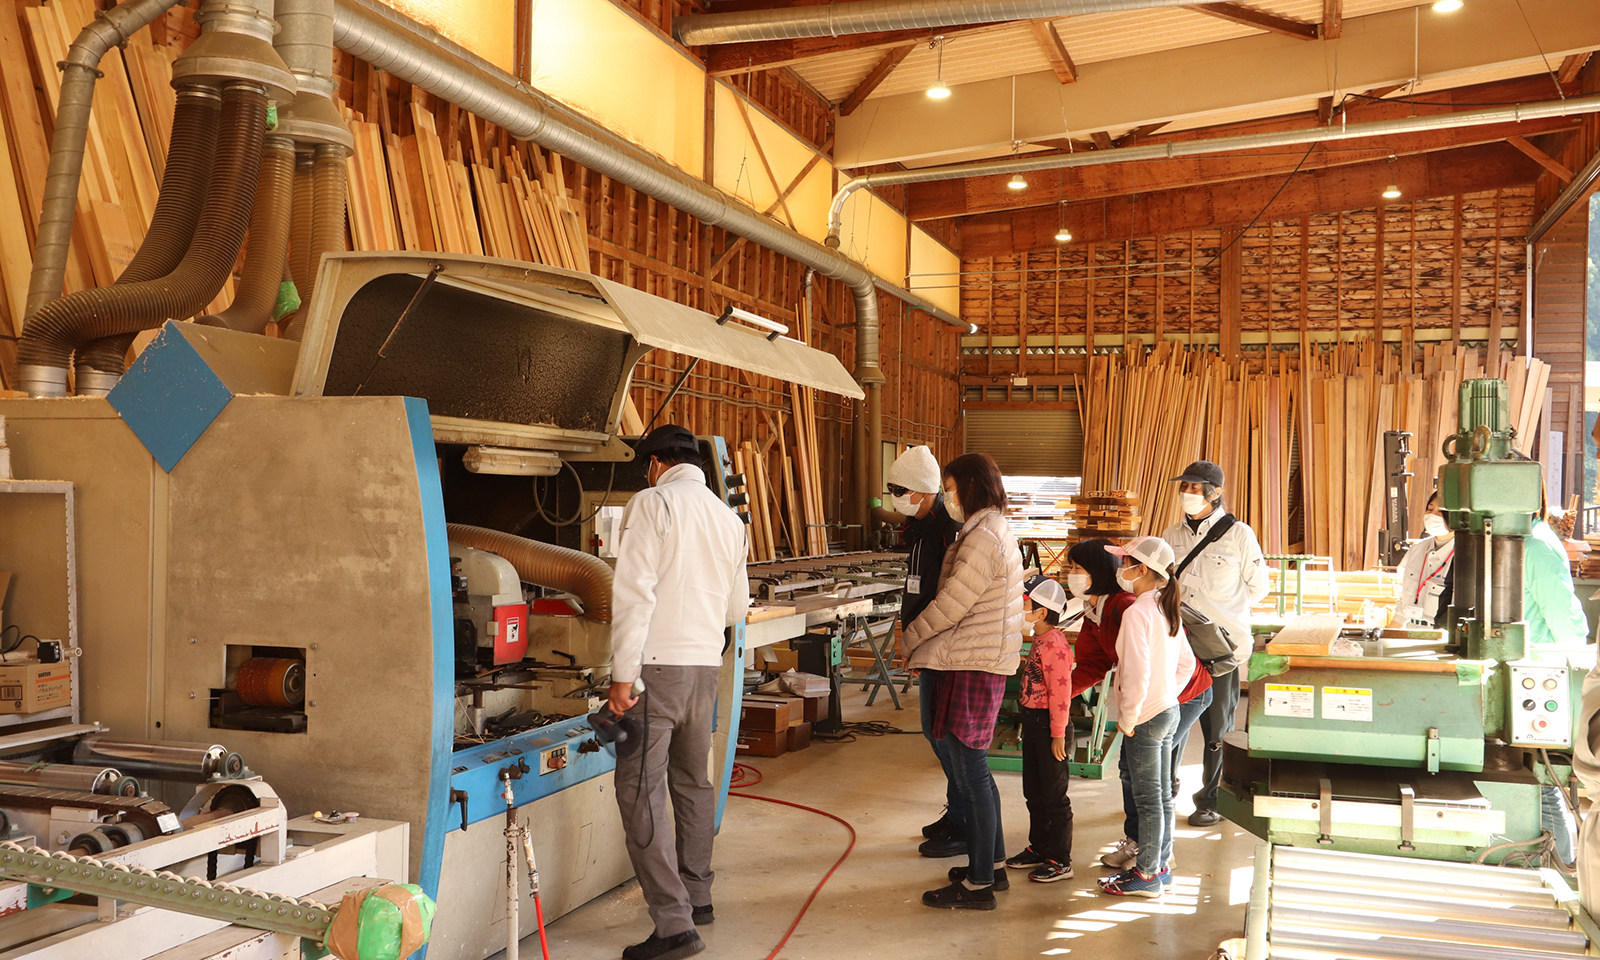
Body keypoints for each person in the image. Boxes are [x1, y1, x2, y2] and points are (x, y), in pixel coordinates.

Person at [608, 425, 750, 960]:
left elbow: (633, 594)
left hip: (656, 671)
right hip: (704, 670)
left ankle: (672, 926)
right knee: (693, 783)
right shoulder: (728, 518)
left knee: (640, 792)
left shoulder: (653, 503)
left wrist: (622, 676)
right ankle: (698, 898)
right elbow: (736, 608)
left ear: (655, 464)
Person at [901, 452, 1025, 910]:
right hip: (973, 659)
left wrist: (910, 639)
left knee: (971, 774)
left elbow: (951, 604)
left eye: (950, 489)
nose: (947, 497)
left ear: (970, 487)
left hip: (973, 663)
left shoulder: (983, 537)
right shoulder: (984, 530)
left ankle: (979, 885)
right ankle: (991, 866)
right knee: (975, 773)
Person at [1063, 538, 1215, 871]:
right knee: (1137, 776)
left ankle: (1152, 858)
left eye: (1076, 568)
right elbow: (1094, 664)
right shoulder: (1095, 612)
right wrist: (1057, 696)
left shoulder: (1129, 608)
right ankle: (1144, 848)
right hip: (1158, 698)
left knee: (1149, 784)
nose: (1069, 575)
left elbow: (1139, 670)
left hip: (1182, 695)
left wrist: (1156, 701)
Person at [1163, 460, 1269, 828]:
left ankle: (1210, 800)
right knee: (1172, 719)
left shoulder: (1239, 535)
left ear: (1215, 492)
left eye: (1195, 487)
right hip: (1180, 644)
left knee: (1216, 729)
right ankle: (1166, 787)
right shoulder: (1171, 534)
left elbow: (1259, 587)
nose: (1187, 493)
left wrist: (1222, 610)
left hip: (1222, 648)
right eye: (1184, 486)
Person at [1098, 536, 1194, 898]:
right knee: (1162, 798)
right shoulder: (1166, 608)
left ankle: (1148, 874)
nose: (1120, 568)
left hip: (1146, 717)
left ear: (1142, 569)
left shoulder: (1138, 613)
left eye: (1126, 562)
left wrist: (1129, 716)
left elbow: (1135, 673)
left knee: (1149, 800)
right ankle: (1160, 868)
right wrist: (1166, 694)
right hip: (1167, 710)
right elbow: (1186, 664)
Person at [886, 445, 968, 858]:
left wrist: (918, 639)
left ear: (922, 489)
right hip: (922, 639)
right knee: (933, 732)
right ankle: (957, 811)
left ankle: (965, 821)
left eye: (899, 490)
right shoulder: (918, 527)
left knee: (948, 739)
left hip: (940, 643)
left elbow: (949, 599)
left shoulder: (949, 530)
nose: (894, 497)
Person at [1004, 574, 1075, 883]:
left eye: (1025, 604)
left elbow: (1061, 694)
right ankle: (1040, 847)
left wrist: (1058, 734)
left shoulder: (1056, 647)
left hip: (1049, 726)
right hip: (1033, 722)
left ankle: (1060, 859)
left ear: (1042, 612)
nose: (1021, 608)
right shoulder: (1039, 639)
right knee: (1033, 792)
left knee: (1054, 797)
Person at [1389, 491, 1455, 629]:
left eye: (1440, 511)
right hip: (1412, 630)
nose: (1432, 515)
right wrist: (1389, 634)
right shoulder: (1417, 550)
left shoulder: (1465, 555)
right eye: (1430, 509)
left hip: (1441, 634)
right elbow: (1403, 604)